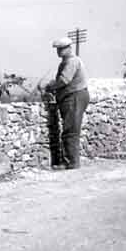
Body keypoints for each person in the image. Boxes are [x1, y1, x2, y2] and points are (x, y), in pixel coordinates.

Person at [45, 37, 90, 169]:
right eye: (58, 49)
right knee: (70, 129)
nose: (59, 51)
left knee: (70, 130)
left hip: (74, 96)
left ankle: (71, 162)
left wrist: (50, 86)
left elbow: (64, 80)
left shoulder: (72, 62)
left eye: (61, 49)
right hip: (71, 96)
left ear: (69, 48)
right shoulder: (66, 62)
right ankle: (71, 161)